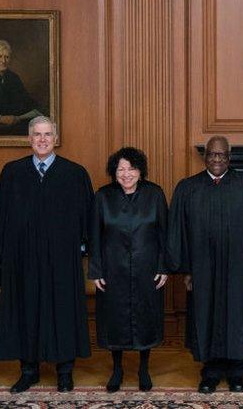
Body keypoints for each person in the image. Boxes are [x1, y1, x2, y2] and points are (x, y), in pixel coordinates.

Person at [0, 116, 93, 393]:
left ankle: (64, 371)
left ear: (56, 138)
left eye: (47, 134)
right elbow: (0, 217)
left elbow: (87, 218)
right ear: (29, 138)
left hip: (62, 258)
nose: (42, 139)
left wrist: (84, 251)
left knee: (63, 310)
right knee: (25, 311)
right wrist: (1, 255)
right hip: (22, 259)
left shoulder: (74, 173)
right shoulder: (12, 173)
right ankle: (28, 370)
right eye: (37, 134)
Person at [169, 136, 243, 394]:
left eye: (222, 155)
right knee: (205, 314)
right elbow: (179, 231)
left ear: (229, 156)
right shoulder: (188, 188)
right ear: (205, 156)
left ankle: (237, 373)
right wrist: (186, 269)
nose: (217, 159)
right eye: (212, 154)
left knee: (238, 316)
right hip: (203, 268)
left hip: (240, 267)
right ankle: (210, 373)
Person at [89, 147, 171, 392]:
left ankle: (144, 369)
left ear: (140, 171)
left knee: (146, 318)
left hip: (147, 269)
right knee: (115, 320)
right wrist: (96, 271)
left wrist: (163, 267)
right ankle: (117, 370)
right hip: (113, 270)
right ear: (114, 173)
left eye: (131, 169)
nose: (126, 174)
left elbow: (164, 234)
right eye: (120, 169)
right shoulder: (102, 196)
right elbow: (94, 236)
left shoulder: (155, 194)